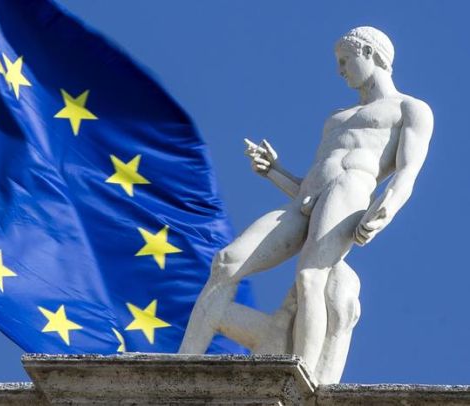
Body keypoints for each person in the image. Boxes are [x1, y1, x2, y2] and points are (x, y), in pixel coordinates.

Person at [179, 26, 434, 384]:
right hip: (305, 201)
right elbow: (312, 184)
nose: (340, 70)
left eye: (345, 60)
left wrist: (387, 205)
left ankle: (302, 380)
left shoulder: (410, 108)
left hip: (350, 192)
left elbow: (408, 171)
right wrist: (274, 171)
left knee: (311, 276)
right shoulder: (337, 117)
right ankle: (179, 366)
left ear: (369, 53)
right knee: (225, 263)